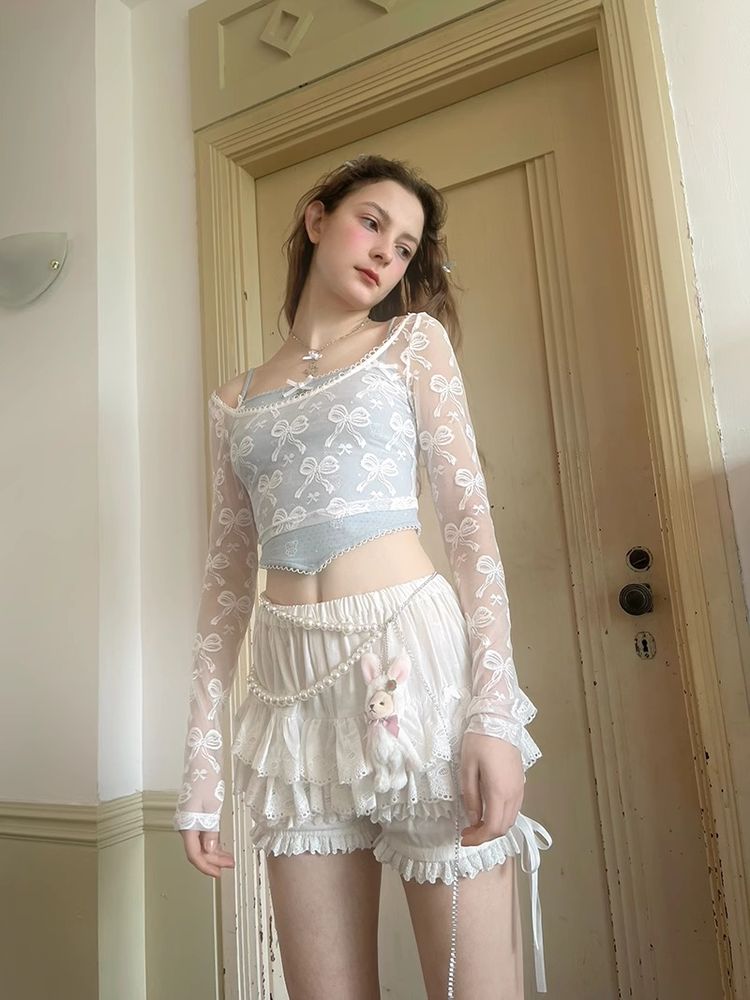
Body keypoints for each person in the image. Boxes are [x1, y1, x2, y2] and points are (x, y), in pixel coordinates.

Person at [173, 153, 552, 999]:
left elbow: (471, 529)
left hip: (413, 669)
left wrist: (493, 712)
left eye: (405, 245)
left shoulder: (412, 344)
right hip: (289, 694)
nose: (387, 251)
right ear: (318, 219)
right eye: (372, 222)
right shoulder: (233, 401)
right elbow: (226, 584)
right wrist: (200, 768)